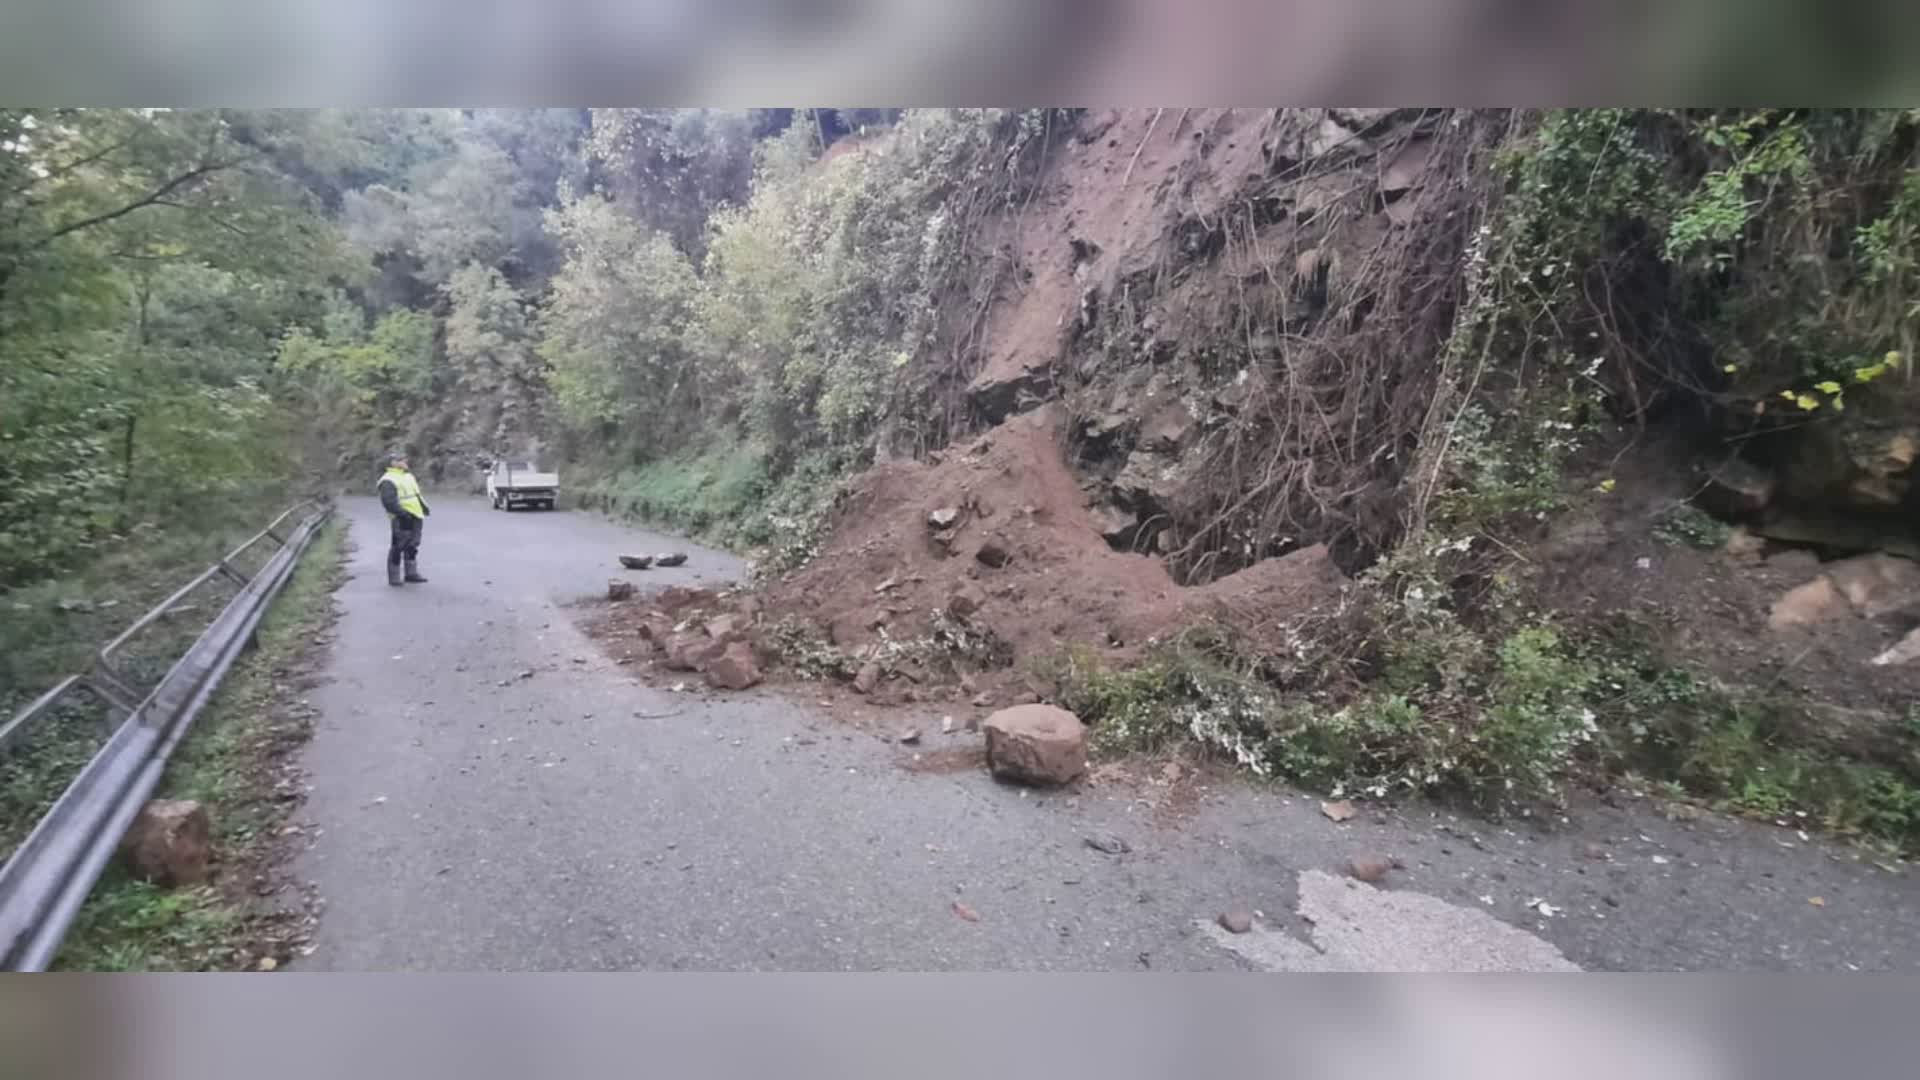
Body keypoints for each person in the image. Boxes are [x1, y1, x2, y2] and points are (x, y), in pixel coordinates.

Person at [376, 451, 431, 587]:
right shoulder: (388, 480)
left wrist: (423, 509)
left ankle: (411, 574)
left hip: (416, 515)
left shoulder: (408, 476)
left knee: (413, 545)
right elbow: (389, 502)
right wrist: (403, 514)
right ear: (393, 463)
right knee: (398, 546)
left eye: (405, 459)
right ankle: (394, 577)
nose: (405, 461)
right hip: (401, 517)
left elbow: (416, 495)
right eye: (402, 460)